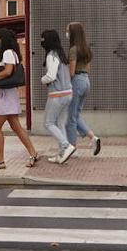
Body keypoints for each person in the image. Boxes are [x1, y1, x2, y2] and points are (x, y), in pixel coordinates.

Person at [0, 28, 40, 169]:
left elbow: (8, 71)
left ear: (4, 40)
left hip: (6, 96)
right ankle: (33, 153)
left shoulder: (8, 53)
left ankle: (0, 161)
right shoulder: (13, 53)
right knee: (16, 127)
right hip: (8, 94)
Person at [39, 29, 76, 164]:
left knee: (48, 123)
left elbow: (51, 76)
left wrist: (42, 79)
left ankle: (66, 146)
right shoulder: (61, 55)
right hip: (68, 93)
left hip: (57, 94)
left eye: (43, 39)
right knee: (60, 123)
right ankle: (62, 153)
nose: (41, 41)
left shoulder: (51, 55)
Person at [64, 22, 100, 156]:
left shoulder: (73, 49)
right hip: (86, 81)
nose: (66, 33)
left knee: (71, 118)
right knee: (76, 114)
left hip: (77, 82)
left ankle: (71, 148)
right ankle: (93, 138)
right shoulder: (86, 49)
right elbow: (88, 68)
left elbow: (72, 72)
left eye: (68, 30)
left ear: (73, 33)